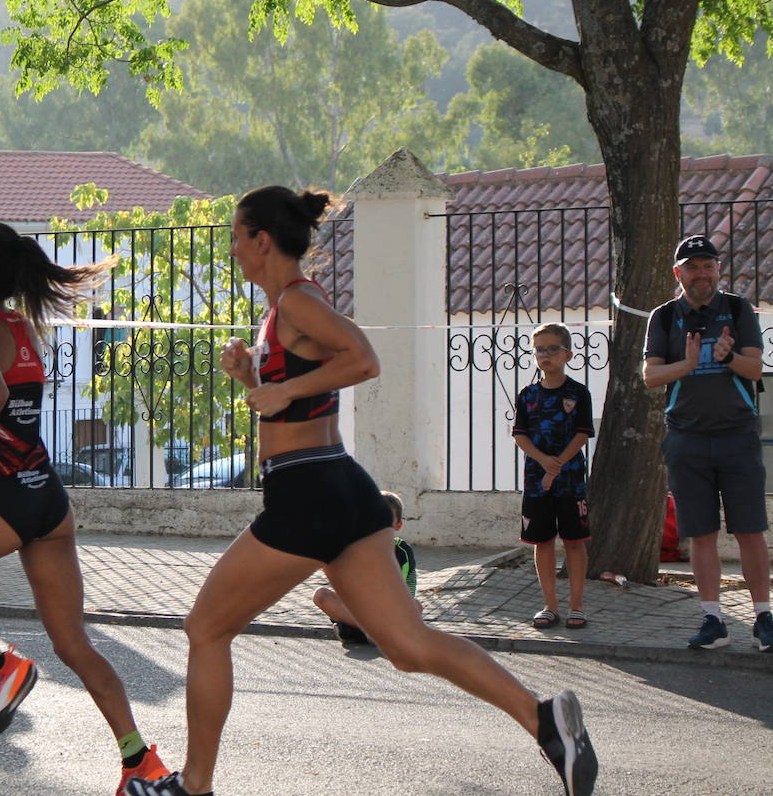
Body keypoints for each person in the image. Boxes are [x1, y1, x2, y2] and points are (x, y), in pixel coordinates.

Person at [127, 186, 596, 796]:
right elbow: (302, 395)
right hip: (339, 488)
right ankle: (544, 719)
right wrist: (252, 375)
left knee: (205, 629)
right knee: (407, 645)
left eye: (238, 237)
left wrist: (282, 389)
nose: (233, 249)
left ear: (262, 241)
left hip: (308, 493)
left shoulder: (297, 302)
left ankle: (194, 785)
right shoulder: (285, 310)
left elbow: (365, 360)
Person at [0, 222, 169, 796]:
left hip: (2, 498)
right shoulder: (23, 329)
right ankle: (140, 762)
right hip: (48, 499)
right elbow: (7, 398)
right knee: (73, 643)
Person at [643, 234, 772, 652]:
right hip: (687, 439)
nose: (702, 274)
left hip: (737, 437)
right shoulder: (664, 317)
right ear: (678, 273)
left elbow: (755, 370)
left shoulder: (737, 309)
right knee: (701, 534)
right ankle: (713, 619)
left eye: (708, 266)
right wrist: (687, 364)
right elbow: (651, 376)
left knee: (750, 530)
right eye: (693, 267)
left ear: (718, 270)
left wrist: (728, 358)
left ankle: (763, 617)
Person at [511, 323, 594, 631]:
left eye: (552, 349)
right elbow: (520, 435)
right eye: (539, 350)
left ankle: (576, 605)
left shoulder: (578, 392)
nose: (544, 355)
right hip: (536, 480)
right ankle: (550, 605)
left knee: (574, 541)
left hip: (570, 481)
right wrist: (544, 461)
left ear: (567, 354)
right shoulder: (527, 395)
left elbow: (582, 433)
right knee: (542, 541)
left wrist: (557, 465)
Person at [312, 491, 420, 644]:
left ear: (397, 525)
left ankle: (357, 632)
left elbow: (404, 590)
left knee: (415, 606)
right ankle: (373, 632)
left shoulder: (402, 551)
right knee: (321, 595)